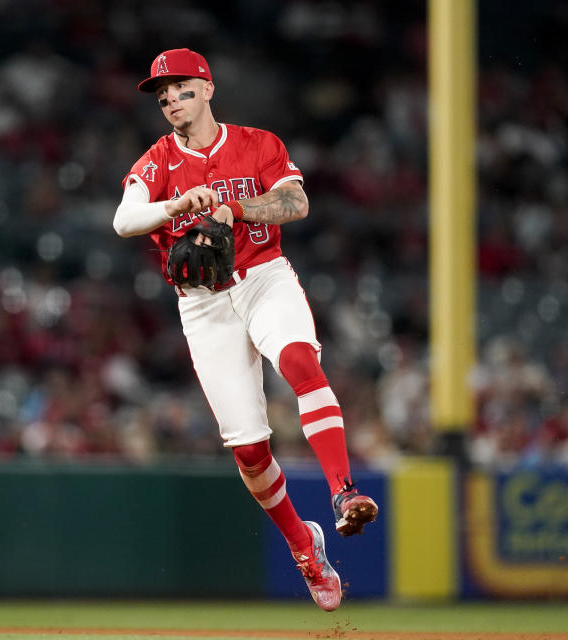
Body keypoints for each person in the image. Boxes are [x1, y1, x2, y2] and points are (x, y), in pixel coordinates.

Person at [113, 48, 379, 611]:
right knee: (251, 452)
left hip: (262, 275)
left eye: (181, 89)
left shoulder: (258, 143)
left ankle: (342, 492)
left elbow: (296, 202)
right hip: (203, 304)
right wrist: (177, 204)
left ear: (207, 88)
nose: (170, 101)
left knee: (301, 362)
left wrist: (238, 211)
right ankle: (303, 543)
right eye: (162, 95)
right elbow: (123, 219)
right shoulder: (158, 162)